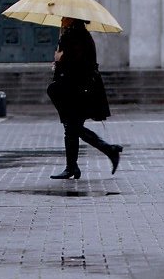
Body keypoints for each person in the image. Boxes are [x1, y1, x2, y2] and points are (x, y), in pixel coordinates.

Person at [47, 17, 122, 179]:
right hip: (77, 87)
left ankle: (108, 150)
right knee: (71, 127)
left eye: (64, 16)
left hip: (78, 89)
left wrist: (60, 60)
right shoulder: (75, 34)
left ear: (72, 18)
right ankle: (73, 167)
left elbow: (76, 64)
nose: (61, 19)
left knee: (72, 126)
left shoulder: (77, 36)